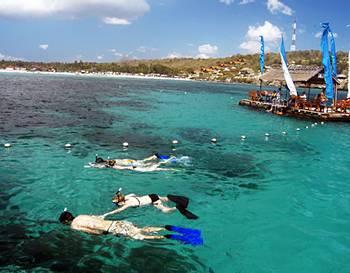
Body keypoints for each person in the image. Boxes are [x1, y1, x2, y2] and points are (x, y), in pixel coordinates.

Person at [58, 209, 203, 245]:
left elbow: (91, 231)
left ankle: (179, 237)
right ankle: (173, 228)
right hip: (118, 223)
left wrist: (102, 235)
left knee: (144, 236)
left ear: (66, 221)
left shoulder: (74, 226)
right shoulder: (82, 215)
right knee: (144, 228)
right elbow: (99, 218)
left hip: (114, 229)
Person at [101, 189, 198, 220]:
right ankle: (170, 197)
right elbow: (133, 194)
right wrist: (120, 196)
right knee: (164, 199)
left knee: (165, 210)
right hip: (151, 195)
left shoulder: (128, 204)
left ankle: (176, 207)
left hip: (152, 201)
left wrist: (106, 214)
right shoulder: (128, 197)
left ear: (120, 202)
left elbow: (118, 210)